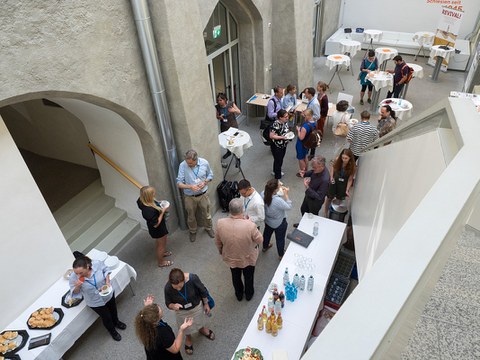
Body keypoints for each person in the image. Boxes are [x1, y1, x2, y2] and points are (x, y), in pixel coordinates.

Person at [215, 198, 263, 301]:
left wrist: (221, 251)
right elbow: (260, 240)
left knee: (235, 277)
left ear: (229, 209)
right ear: (242, 210)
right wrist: (249, 222)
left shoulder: (220, 223)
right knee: (249, 277)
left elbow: (218, 242)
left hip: (231, 257)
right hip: (248, 258)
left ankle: (239, 294)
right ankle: (249, 294)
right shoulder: (250, 225)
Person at [69, 256, 126, 341]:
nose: (78, 275)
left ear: (87, 266)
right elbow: (75, 292)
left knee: (113, 309)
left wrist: (107, 281)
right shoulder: (73, 277)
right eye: (76, 273)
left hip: (107, 293)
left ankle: (116, 322)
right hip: (94, 301)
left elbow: (106, 270)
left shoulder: (96, 264)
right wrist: (77, 287)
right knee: (106, 317)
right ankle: (113, 332)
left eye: (80, 273)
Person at [164, 268, 215, 355]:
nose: (178, 289)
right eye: (175, 288)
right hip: (182, 312)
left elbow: (203, 291)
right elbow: (168, 303)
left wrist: (206, 304)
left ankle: (201, 329)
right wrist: (173, 306)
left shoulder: (193, 278)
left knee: (199, 320)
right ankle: (188, 337)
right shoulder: (168, 287)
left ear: (184, 279)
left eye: (180, 286)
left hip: (196, 307)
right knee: (185, 327)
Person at [135, 294, 193, 360]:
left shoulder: (145, 323)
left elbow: (148, 314)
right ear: (156, 319)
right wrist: (181, 330)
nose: (159, 306)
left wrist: (148, 307)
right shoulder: (163, 333)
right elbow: (175, 349)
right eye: (159, 310)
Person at [176, 149, 214, 242]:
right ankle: (193, 231)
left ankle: (208, 228)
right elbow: (179, 183)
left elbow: (210, 175)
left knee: (207, 214)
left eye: (191, 164)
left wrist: (205, 182)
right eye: (187, 163)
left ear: (196, 160)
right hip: (189, 197)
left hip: (203, 195)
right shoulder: (182, 165)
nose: (189, 165)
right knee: (191, 216)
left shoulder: (204, 163)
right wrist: (190, 187)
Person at [137, 186, 173, 268]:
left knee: (160, 243)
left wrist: (158, 203)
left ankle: (162, 253)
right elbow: (156, 224)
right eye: (152, 194)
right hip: (158, 229)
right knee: (161, 245)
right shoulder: (148, 211)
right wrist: (162, 212)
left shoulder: (141, 201)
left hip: (156, 228)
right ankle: (161, 262)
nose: (154, 194)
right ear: (148, 196)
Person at [262, 179, 292, 259]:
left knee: (267, 234)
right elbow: (288, 207)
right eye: (279, 185)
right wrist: (286, 195)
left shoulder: (263, 194)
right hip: (279, 223)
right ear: (275, 189)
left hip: (268, 221)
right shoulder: (278, 201)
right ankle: (281, 255)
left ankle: (265, 246)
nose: (281, 185)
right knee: (280, 239)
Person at [324, 149, 356, 217]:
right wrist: (331, 177)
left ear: (350, 158)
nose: (343, 160)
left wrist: (347, 190)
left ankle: (335, 212)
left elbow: (350, 180)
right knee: (329, 197)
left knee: (339, 199)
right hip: (335, 181)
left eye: (346, 158)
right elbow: (333, 167)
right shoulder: (338, 160)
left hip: (343, 184)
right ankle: (326, 212)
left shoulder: (352, 167)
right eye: (342, 157)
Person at [215, 93, 241, 160]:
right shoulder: (217, 107)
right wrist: (219, 117)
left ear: (225, 99)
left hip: (233, 126)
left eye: (221, 100)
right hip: (224, 127)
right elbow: (217, 116)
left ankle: (237, 157)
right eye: (218, 100)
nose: (219, 102)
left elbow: (239, 112)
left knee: (235, 142)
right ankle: (228, 152)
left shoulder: (230, 104)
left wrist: (234, 110)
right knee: (226, 141)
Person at [269, 109, 290, 179]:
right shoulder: (275, 124)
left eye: (287, 116)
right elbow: (271, 136)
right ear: (280, 117)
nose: (287, 117)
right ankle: (277, 178)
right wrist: (282, 137)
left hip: (283, 145)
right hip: (277, 146)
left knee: (280, 159)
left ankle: (275, 171)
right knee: (278, 160)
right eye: (285, 116)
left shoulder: (285, 122)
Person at [295, 108, 316, 177]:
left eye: (305, 115)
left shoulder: (305, 127)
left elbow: (301, 138)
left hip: (301, 144)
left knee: (301, 159)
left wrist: (298, 130)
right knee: (305, 156)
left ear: (309, 116)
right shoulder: (314, 122)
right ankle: (306, 170)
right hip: (307, 143)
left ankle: (303, 172)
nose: (304, 116)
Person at [302, 87, 320, 160]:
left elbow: (317, 116)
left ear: (310, 94)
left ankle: (312, 154)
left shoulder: (314, 103)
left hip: (312, 124)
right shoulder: (311, 100)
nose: (304, 95)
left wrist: (307, 117)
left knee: (312, 138)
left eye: (306, 93)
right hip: (309, 122)